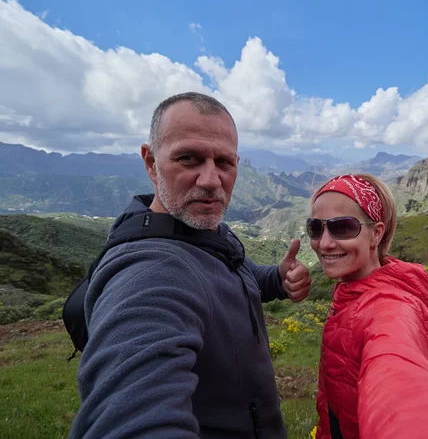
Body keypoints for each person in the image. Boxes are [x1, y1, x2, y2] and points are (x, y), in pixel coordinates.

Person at [69, 92, 311, 438]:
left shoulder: (206, 230)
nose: (211, 180)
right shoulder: (151, 272)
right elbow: (130, 417)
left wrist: (275, 279)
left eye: (224, 162)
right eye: (189, 158)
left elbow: (233, 275)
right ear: (151, 163)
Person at [307, 174, 428, 438]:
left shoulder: (390, 308)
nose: (324, 242)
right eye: (315, 227)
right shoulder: (351, 289)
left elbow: (399, 376)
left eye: (343, 227)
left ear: (376, 234)